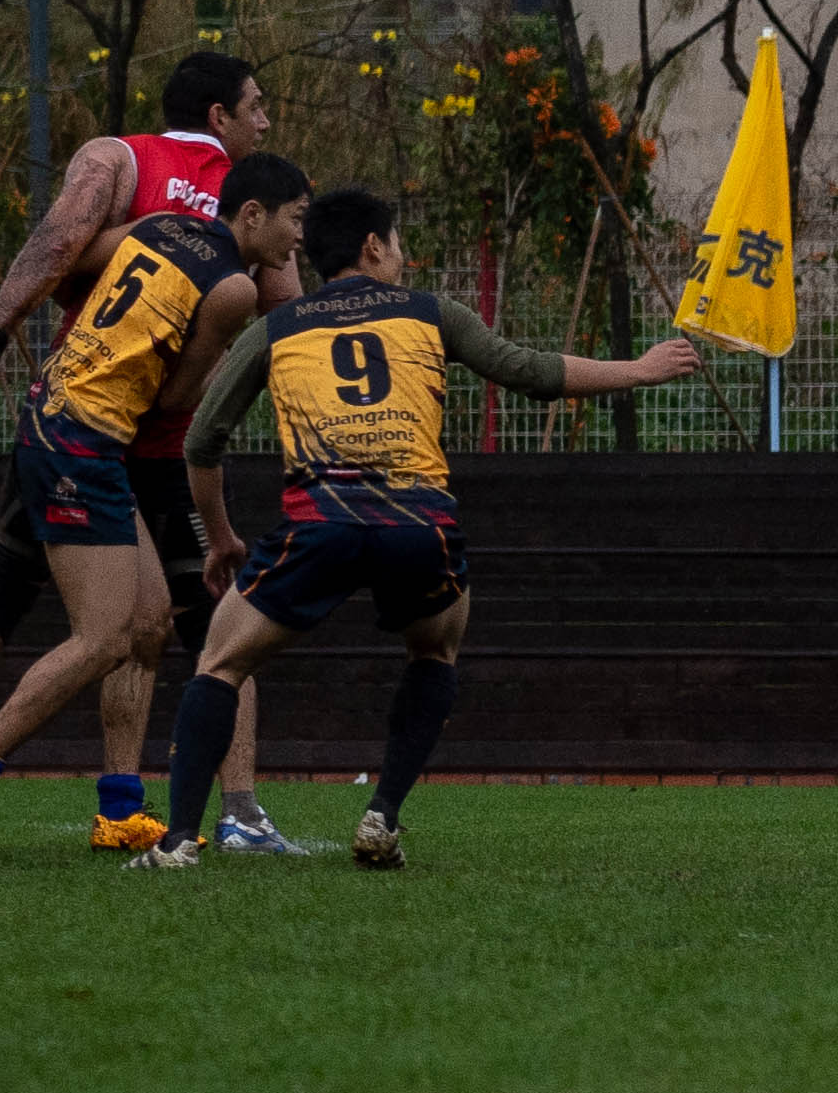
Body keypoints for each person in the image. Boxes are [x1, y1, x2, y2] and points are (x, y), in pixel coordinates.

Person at [161, 185, 697, 869]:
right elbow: (528, 371)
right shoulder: (431, 313)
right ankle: (382, 815)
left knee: (220, 662)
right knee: (435, 653)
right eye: (398, 245)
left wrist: (221, 537)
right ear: (372, 246)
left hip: (321, 525)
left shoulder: (277, 328)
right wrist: (640, 369)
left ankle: (177, 842)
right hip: (419, 525)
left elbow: (201, 441)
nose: (402, 258)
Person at [0, 50, 303, 851]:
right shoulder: (235, 285)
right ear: (252, 212)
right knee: (102, 635)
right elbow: (176, 402)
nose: (297, 237)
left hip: (58, 411)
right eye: (294, 221)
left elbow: (68, 255)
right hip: (88, 438)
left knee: (145, 619)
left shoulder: (154, 222)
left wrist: (1, 333)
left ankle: (120, 805)